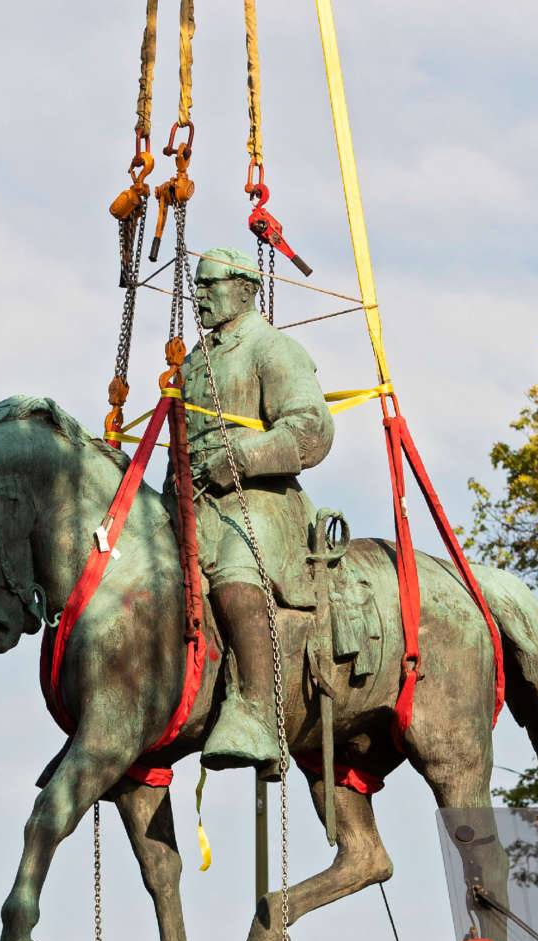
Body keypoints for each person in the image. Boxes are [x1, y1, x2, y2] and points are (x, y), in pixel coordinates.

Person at [178, 246, 335, 770]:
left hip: (263, 502)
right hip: (197, 502)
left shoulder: (273, 349)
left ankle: (256, 710)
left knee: (235, 574)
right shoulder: (198, 359)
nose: (197, 295)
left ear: (245, 287)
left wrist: (240, 457)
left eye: (209, 285)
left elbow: (312, 430)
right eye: (196, 286)